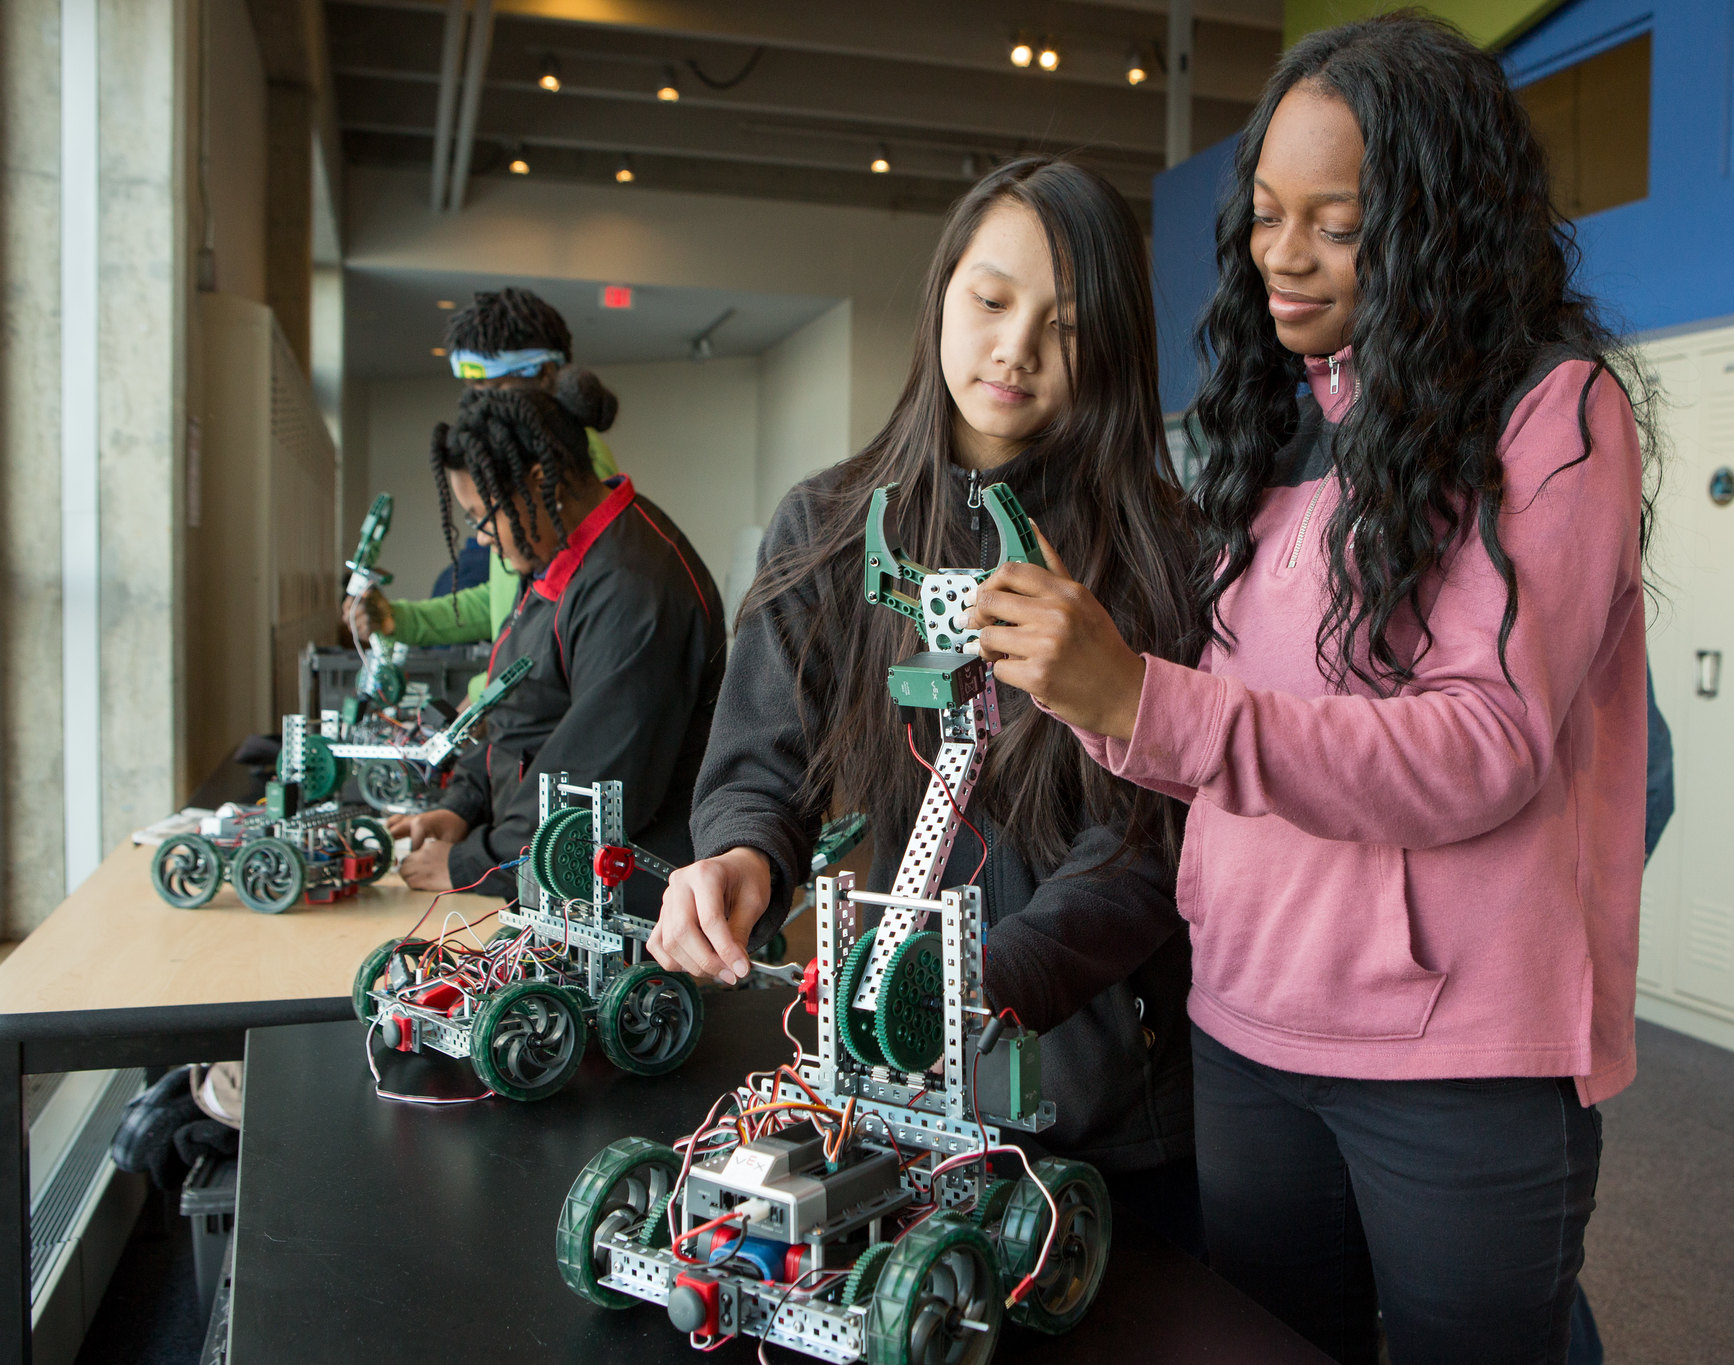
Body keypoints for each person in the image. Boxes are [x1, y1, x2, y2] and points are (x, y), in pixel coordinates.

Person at [964, 18, 1658, 1364]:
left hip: (1457, 1057)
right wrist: (1088, 690)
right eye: (1269, 215)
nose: (1282, 257)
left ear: (1436, 224)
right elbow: (1230, 748)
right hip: (1248, 1023)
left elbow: (1483, 746)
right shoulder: (1276, 425)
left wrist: (1145, 701)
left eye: (1335, 226)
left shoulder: (1551, 415)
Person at [643, 157, 1206, 1252]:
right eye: (990, 301)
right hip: (898, 1100)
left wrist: (987, 982)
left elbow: (1148, 843)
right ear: (942, 294)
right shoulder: (826, 521)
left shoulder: (1160, 554)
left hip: (1098, 1115)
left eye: (1066, 325)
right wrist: (740, 857)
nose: (1015, 348)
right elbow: (763, 762)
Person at [383, 386, 724, 908]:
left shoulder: (632, 590)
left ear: (537, 484)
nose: (479, 537)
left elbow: (593, 789)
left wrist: (471, 864)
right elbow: (520, 710)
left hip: (619, 902)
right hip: (539, 868)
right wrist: (462, 806)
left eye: (481, 515)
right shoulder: (557, 554)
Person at [344, 287, 622, 696]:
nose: (477, 404)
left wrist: (482, 699)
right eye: (469, 386)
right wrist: (398, 620)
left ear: (543, 376)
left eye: (488, 384)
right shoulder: (529, 464)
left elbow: (549, 629)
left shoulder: (570, 468)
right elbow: (506, 600)